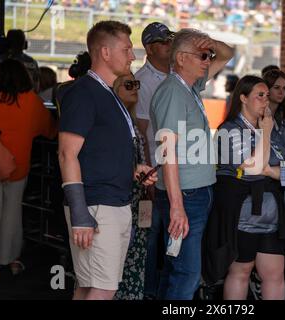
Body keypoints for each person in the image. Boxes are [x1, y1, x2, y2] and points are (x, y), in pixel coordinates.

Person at [58, 20, 156, 300]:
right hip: (97, 206)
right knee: (103, 288)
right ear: (105, 53)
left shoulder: (107, 94)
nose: (133, 56)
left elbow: (101, 150)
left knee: (90, 286)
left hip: (110, 202)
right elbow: (67, 153)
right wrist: (79, 212)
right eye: (127, 49)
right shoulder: (84, 92)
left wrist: (136, 170)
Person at [150, 28, 234, 300]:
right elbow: (168, 151)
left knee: (176, 269)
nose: (208, 59)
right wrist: (177, 206)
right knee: (186, 273)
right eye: (202, 55)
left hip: (194, 192)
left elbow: (227, 54)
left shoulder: (190, 86)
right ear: (182, 58)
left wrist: (209, 43)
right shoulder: (174, 91)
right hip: (185, 194)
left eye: (208, 55)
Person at [204, 75, 285, 300]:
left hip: (271, 211)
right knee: (240, 271)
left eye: (267, 96)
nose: (265, 101)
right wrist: (266, 134)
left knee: (275, 273)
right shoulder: (230, 129)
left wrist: (270, 166)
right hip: (243, 211)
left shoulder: (272, 126)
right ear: (243, 98)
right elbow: (252, 167)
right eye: (260, 96)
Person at [0, 59, 57, 284]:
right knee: (13, 215)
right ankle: (11, 259)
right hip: (18, 168)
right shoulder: (32, 102)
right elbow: (50, 131)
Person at [135, 22, 174, 299]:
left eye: (171, 39)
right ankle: (148, 292)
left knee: (172, 236)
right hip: (156, 172)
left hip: (177, 170)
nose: (170, 45)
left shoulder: (176, 75)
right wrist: (148, 176)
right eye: (165, 41)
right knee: (150, 236)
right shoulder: (142, 81)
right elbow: (141, 132)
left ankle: (166, 292)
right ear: (150, 48)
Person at [112, 73, 148, 300]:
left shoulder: (133, 122)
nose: (134, 88)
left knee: (136, 254)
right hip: (118, 198)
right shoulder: (112, 123)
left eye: (136, 84)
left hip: (138, 199)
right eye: (128, 85)